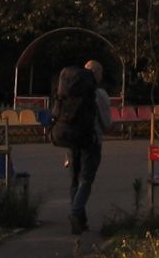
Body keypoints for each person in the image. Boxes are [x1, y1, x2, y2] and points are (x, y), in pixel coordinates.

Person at [54, 58, 112, 234]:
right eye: (100, 72)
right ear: (96, 73)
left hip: (71, 140)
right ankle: (76, 212)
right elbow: (106, 123)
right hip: (91, 141)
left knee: (74, 180)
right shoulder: (98, 94)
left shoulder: (70, 90)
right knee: (86, 179)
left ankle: (80, 221)